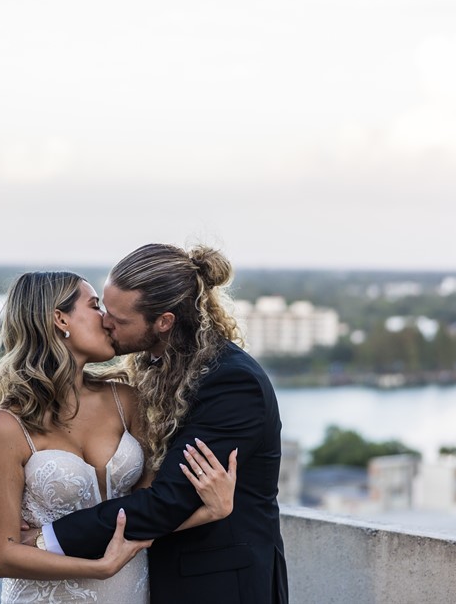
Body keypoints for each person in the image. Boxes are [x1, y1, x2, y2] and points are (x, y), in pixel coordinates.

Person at [27, 244, 289, 603]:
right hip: (160, 576)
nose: (105, 322)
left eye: (119, 320)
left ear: (163, 322)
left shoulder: (231, 384)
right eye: (103, 308)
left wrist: (50, 538)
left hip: (221, 585)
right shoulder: (157, 364)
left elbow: (169, 499)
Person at [0, 271, 239, 603]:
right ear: (60, 319)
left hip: (131, 591)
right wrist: (99, 568)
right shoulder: (5, 427)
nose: (107, 320)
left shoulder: (126, 400)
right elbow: (2, 556)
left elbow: (147, 510)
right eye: (95, 305)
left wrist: (209, 512)